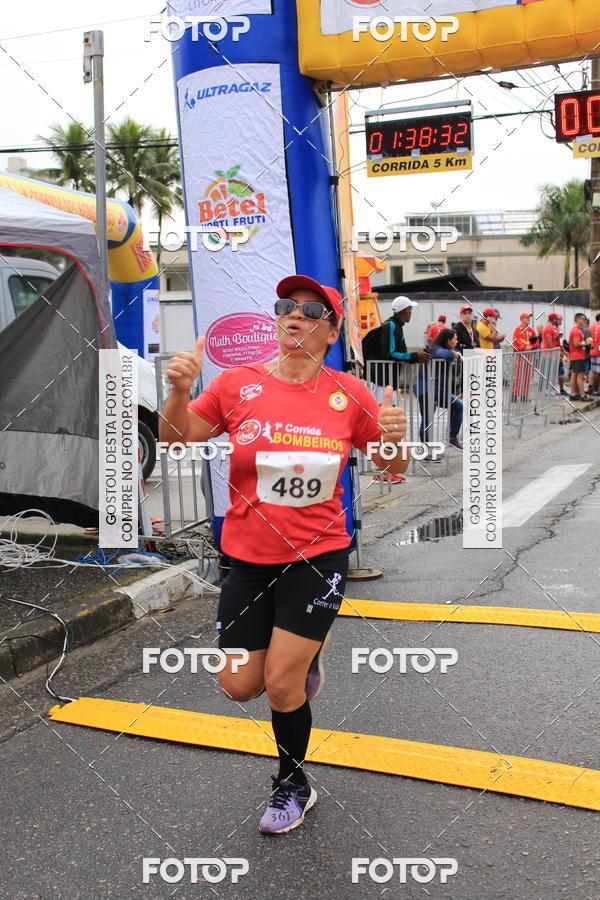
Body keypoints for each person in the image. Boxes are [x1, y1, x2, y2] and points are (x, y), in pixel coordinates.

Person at [160, 274, 410, 835]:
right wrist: (177, 390)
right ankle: (307, 656)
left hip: (318, 557)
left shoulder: (349, 393)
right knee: (239, 686)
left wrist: (397, 435)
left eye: (310, 310)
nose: (294, 315)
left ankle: (293, 784)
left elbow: (395, 468)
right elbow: (177, 437)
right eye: (285, 307)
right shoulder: (236, 384)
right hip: (247, 558)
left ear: (330, 331)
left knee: (279, 685)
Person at [416, 327, 464, 452]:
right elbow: (443, 354)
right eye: (455, 339)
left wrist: (456, 354)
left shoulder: (442, 348)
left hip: (439, 391)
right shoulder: (435, 348)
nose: (456, 342)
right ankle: (425, 451)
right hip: (426, 391)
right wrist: (454, 354)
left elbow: (456, 353)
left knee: (459, 405)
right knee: (427, 420)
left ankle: (452, 436)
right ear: (448, 340)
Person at [511, 312, 539, 400]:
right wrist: (524, 348)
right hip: (520, 356)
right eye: (527, 318)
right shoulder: (517, 330)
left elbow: (536, 342)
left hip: (529, 356)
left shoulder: (531, 331)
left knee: (527, 375)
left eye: (529, 318)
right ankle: (515, 394)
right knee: (519, 375)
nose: (529, 319)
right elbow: (515, 342)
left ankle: (524, 395)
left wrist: (531, 347)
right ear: (522, 319)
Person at [568, 312, 591, 400]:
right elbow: (576, 344)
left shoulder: (577, 330)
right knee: (580, 375)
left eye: (584, 319)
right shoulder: (576, 330)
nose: (583, 320)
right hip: (578, 356)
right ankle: (582, 394)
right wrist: (586, 343)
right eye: (582, 319)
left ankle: (574, 393)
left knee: (575, 374)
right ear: (577, 319)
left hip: (576, 356)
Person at [589, 312, 600, 396]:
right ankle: (595, 391)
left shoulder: (591, 326)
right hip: (599, 352)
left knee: (593, 371)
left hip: (592, 351)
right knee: (597, 372)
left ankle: (593, 389)